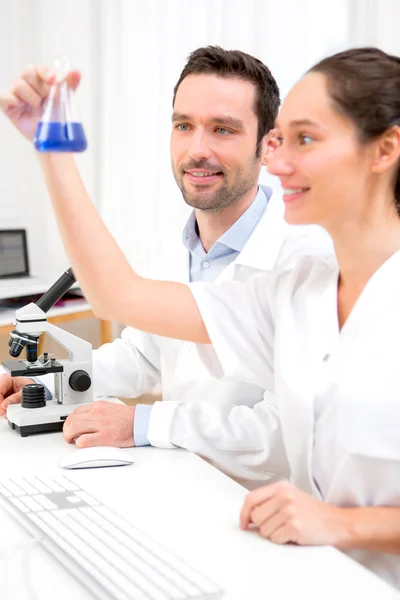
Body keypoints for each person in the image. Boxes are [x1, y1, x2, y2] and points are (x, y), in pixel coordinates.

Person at [2, 45, 400, 587]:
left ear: (385, 150)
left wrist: (345, 524)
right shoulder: (297, 295)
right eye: (183, 125)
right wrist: (51, 148)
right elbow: (122, 298)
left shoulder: (304, 268)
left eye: (302, 140)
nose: (278, 162)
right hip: (306, 564)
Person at [0, 47, 331, 488]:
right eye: (184, 126)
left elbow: (284, 435)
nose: (198, 150)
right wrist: (52, 384)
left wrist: (145, 423)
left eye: (223, 129)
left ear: (268, 145)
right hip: (180, 477)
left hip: (265, 503)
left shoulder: (307, 259)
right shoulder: (176, 241)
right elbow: (144, 353)